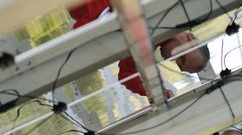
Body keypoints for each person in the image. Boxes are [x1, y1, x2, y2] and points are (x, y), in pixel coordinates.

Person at [68, 0, 210, 96]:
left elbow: (127, 75)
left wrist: (156, 92)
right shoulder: (170, 7)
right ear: (190, 39)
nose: (173, 60)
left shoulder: (146, 47)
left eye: (178, 64)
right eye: (182, 57)